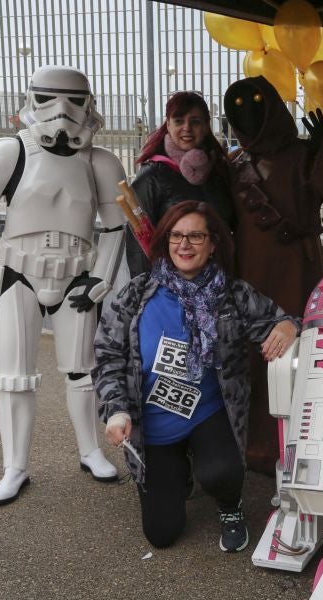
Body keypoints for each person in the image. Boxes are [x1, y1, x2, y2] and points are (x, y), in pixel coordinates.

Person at [0, 65, 124, 505]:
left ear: (89, 105)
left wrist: (99, 280)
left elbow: (115, 229)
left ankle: (90, 449)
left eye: (74, 101)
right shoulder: (8, 152)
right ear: (31, 100)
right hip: (19, 276)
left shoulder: (100, 162)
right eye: (49, 99)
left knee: (82, 373)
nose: (62, 112)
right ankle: (15, 466)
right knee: (14, 378)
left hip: (77, 278)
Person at [92, 201, 299, 551]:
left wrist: (288, 325)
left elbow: (279, 321)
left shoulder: (232, 294)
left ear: (213, 243)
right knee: (162, 534)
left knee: (220, 472)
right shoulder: (137, 294)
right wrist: (116, 410)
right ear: (165, 241)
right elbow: (107, 353)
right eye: (176, 235)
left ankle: (230, 506)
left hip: (209, 412)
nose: (184, 244)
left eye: (196, 236)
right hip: (153, 421)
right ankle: (178, 473)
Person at [223, 76, 323, 473]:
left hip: (298, 271)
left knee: (299, 353)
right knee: (253, 354)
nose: (249, 111)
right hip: (248, 273)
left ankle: (300, 440)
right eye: (240, 106)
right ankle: (256, 445)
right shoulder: (233, 164)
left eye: (258, 103)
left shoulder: (304, 154)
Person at [125, 91, 234, 277]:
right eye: (178, 121)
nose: (187, 128)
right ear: (168, 125)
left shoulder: (219, 171)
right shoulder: (152, 176)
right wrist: (146, 290)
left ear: (207, 126)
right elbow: (138, 244)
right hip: (172, 290)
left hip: (220, 285)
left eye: (195, 121)